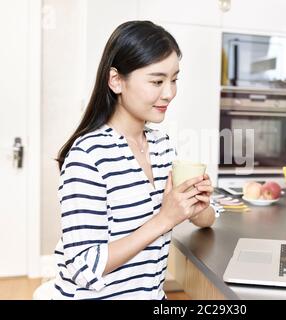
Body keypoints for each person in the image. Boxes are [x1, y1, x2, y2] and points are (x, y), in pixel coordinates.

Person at [53, 20, 216, 300]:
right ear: (116, 80)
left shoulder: (161, 145)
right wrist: (165, 218)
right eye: (156, 81)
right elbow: (84, 266)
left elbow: (205, 218)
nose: (169, 93)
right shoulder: (88, 156)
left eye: (174, 79)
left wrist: (197, 205)